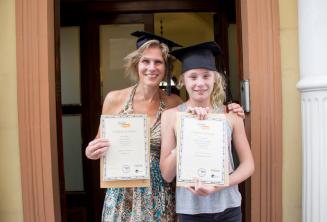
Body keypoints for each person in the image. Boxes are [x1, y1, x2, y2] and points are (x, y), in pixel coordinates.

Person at [85, 31, 245, 222]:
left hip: (160, 194)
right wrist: (91, 151)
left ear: (166, 68)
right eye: (146, 61)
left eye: (158, 62)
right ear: (137, 64)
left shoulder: (173, 103)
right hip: (124, 193)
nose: (151, 68)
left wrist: (230, 109)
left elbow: (202, 111)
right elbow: (98, 141)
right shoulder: (114, 99)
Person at [160, 41, 254, 222]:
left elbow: (248, 165)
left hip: (229, 208)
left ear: (215, 79)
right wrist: (188, 130)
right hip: (191, 211)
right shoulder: (172, 116)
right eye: (193, 77)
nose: (200, 83)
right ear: (183, 81)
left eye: (206, 76)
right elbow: (167, 174)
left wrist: (219, 185)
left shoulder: (230, 114)